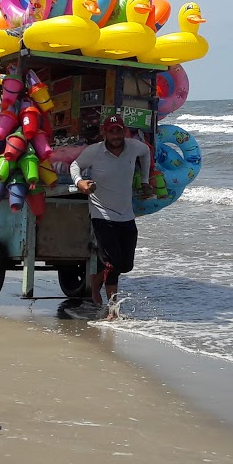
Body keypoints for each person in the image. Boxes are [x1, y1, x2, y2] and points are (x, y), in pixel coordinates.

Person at [71, 114, 151, 319]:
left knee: (127, 265)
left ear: (124, 131)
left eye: (119, 131)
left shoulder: (134, 147)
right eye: (111, 131)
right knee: (114, 262)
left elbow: (146, 152)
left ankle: (97, 280)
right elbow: (74, 165)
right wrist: (80, 182)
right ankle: (112, 309)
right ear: (104, 133)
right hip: (101, 213)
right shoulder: (95, 152)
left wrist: (144, 180)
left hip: (126, 214)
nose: (116, 135)